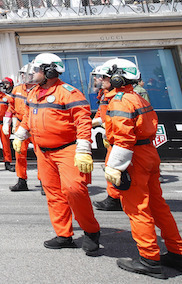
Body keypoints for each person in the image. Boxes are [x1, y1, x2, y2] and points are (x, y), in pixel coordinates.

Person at [98, 59, 182, 278]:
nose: (105, 79)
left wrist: (115, 166)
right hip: (148, 154)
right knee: (158, 206)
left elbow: (124, 139)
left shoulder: (120, 100)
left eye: (109, 75)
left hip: (133, 156)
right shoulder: (136, 96)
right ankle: (177, 252)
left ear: (118, 77)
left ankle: (149, 260)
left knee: (138, 210)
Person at [12, 53, 100, 256]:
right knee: (53, 194)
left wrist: (84, 149)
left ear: (49, 71)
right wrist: (20, 134)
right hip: (44, 152)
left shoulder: (68, 93)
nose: (33, 73)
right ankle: (64, 235)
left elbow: (83, 121)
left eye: (37, 69)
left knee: (74, 191)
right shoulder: (33, 92)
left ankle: (91, 232)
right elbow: (27, 116)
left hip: (66, 150)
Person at [90, 62, 123, 212]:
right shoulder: (105, 94)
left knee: (115, 168)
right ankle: (114, 197)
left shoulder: (120, 97)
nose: (100, 80)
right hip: (112, 138)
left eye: (103, 77)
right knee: (111, 168)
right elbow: (102, 114)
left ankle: (116, 199)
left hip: (120, 140)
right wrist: (95, 122)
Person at [4, 66, 36, 192]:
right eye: (22, 74)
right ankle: (21, 180)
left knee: (41, 154)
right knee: (19, 153)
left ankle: (45, 182)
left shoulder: (39, 90)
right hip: (21, 123)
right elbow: (11, 107)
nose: (23, 77)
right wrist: (7, 122)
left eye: (25, 74)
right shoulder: (17, 89)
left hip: (35, 124)